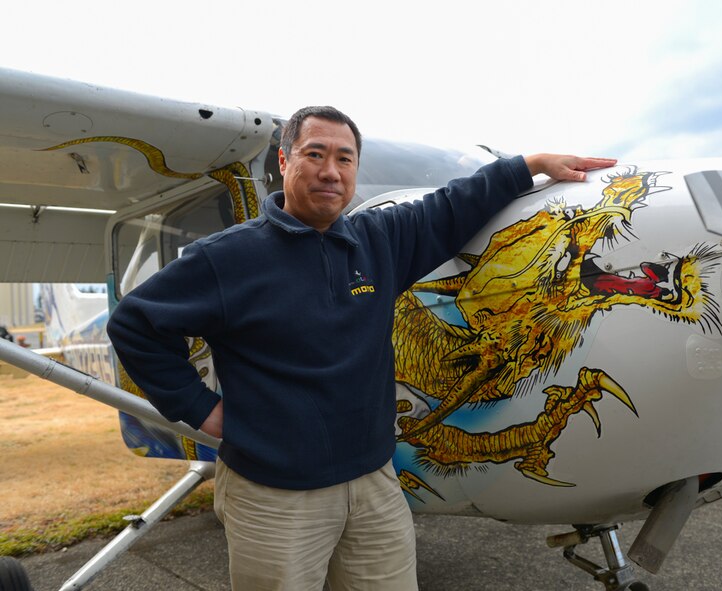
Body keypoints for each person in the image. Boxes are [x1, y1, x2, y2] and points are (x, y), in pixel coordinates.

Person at [107, 105, 617, 591]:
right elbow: (135, 324)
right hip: (273, 494)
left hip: (374, 483)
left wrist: (529, 165)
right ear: (283, 162)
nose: (331, 170)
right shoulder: (229, 257)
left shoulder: (380, 239)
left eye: (344, 158)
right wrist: (204, 411)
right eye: (315, 153)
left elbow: (453, 204)